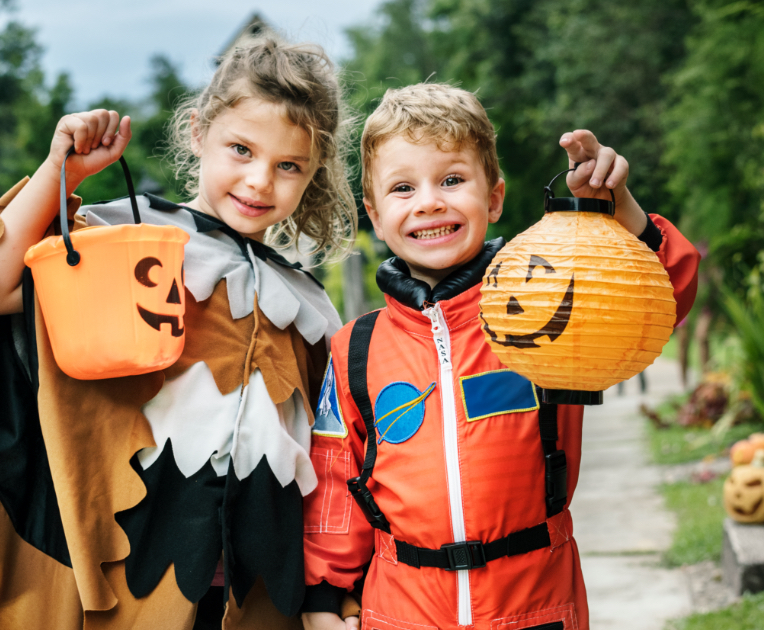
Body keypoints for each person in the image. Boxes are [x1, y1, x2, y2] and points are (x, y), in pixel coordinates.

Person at [0, 39, 356, 630]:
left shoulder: (309, 308)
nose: (260, 181)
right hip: (128, 564)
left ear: (314, 172)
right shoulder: (126, 238)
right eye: (241, 149)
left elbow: (332, 462)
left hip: (259, 587)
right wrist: (62, 172)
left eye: (289, 166)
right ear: (197, 132)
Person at [299, 84, 700, 630]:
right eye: (402, 188)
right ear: (373, 211)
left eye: (452, 180)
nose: (429, 201)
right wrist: (323, 597)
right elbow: (334, 481)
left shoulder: (549, 309)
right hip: (402, 608)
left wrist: (617, 209)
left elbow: (666, 293)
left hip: (535, 602)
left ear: (494, 198)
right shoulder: (356, 348)